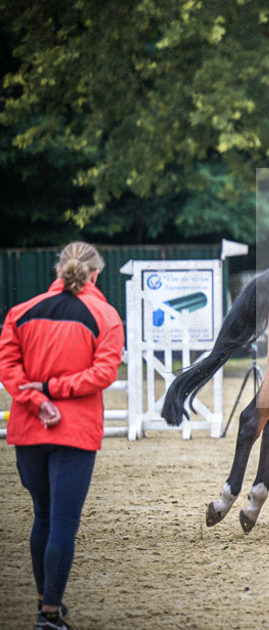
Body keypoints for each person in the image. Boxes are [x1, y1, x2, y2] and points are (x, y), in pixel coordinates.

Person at [0, 242, 124, 630]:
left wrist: (36, 400)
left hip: (29, 428)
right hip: (75, 431)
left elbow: (8, 367)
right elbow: (104, 374)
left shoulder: (20, 312)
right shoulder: (105, 316)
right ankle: (50, 614)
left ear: (59, 269)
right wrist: (54, 392)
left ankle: (44, 604)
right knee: (63, 524)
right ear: (96, 274)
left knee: (43, 515)